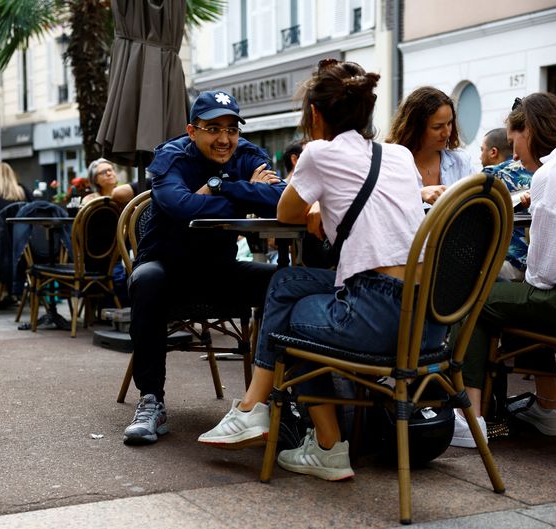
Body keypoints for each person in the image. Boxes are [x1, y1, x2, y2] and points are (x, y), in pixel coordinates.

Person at [198, 59, 448, 481]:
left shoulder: (317, 153)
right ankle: (280, 422)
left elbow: (285, 211)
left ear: (315, 115)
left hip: (378, 318)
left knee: (290, 318)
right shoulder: (400, 155)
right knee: (287, 282)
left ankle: (297, 430)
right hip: (430, 319)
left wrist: (317, 201)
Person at [123, 89, 285, 445]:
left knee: (285, 283)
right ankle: (151, 401)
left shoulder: (247, 154)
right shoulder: (171, 156)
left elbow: (279, 198)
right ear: (192, 130)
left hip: (219, 272)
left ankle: (278, 401)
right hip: (166, 269)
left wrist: (217, 187)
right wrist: (244, 194)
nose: (224, 139)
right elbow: (178, 205)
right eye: (213, 129)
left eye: (231, 129)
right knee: (147, 280)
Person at [456, 93, 556, 446]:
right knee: (521, 299)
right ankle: (548, 408)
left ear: (530, 131)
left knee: (478, 299)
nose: (514, 155)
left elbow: (542, 274)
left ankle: (468, 419)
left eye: (515, 143)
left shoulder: (555, 173)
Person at [386, 86, 473, 205]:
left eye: (449, 123)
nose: (447, 133)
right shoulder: (391, 163)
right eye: (437, 127)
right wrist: (418, 194)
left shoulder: (461, 161)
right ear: (415, 128)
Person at [479, 127, 532, 281]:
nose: (480, 155)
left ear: (493, 152)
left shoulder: (490, 176)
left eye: (482, 150)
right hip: (535, 265)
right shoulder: (535, 169)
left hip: (509, 264)